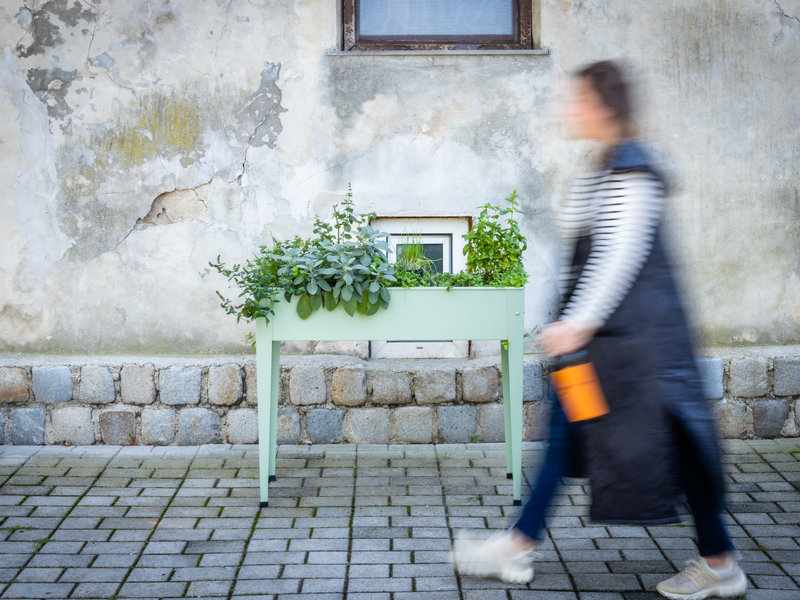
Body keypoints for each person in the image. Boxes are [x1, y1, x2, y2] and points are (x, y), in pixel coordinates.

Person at [451, 60, 748, 600]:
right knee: (566, 435)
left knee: (681, 452)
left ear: (605, 106)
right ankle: (518, 546)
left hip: (641, 357)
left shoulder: (632, 171)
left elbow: (619, 257)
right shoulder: (608, 165)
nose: (570, 109)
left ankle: (720, 562)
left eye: (579, 99)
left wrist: (576, 326)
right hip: (609, 354)